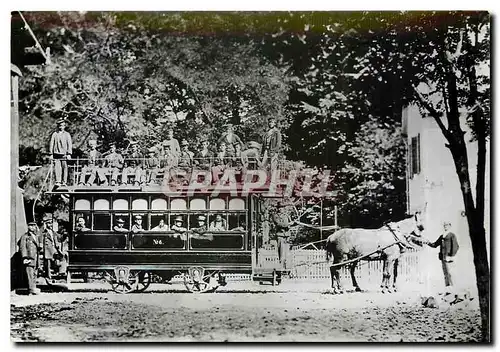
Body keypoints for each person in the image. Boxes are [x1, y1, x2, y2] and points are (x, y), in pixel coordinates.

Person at [425, 221, 460, 290]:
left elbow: (456, 246)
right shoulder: (442, 236)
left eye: (447, 225)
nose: (445, 226)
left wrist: (451, 256)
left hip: (449, 258)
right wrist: (427, 242)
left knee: (451, 273)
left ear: (450, 226)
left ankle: (455, 289)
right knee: (445, 273)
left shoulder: (451, 235)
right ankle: (448, 289)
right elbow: (435, 244)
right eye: (444, 225)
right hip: (443, 258)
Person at [18, 222, 41, 295]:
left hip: (35, 258)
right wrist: (24, 257)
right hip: (29, 257)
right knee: (30, 274)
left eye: (34, 226)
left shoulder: (36, 236)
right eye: (31, 226)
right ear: (28, 227)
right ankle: (31, 289)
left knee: (34, 273)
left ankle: (33, 287)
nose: (33, 227)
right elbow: (22, 247)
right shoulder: (25, 236)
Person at [49, 118, 73, 186]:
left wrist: (69, 154)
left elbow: (69, 144)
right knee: (57, 168)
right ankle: (58, 181)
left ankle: (64, 182)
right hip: (56, 154)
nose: (61, 127)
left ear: (64, 126)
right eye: (60, 125)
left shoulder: (67, 134)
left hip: (64, 154)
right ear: (58, 126)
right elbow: (51, 144)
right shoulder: (55, 134)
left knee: (64, 168)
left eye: (63, 125)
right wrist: (51, 154)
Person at [272, 202, 294, 270]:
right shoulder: (275, 216)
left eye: (282, 207)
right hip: (280, 236)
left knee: (287, 253)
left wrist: (294, 223)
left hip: (287, 236)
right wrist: (288, 224)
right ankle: (281, 267)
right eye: (279, 207)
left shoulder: (286, 215)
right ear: (277, 208)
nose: (281, 209)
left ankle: (287, 266)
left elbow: (291, 223)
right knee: (281, 252)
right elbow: (279, 224)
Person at [40, 214, 62, 279]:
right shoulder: (44, 232)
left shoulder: (53, 232)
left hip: (54, 248)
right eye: (48, 223)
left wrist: (64, 235)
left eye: (51, 223)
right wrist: (41, 248)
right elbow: (40, 239)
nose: (50, 225)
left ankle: (58, 273)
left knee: (58, 259)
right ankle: (48, 275)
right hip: (47, 249)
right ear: (46, 224)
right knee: (47, 262)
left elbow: (59, 238)